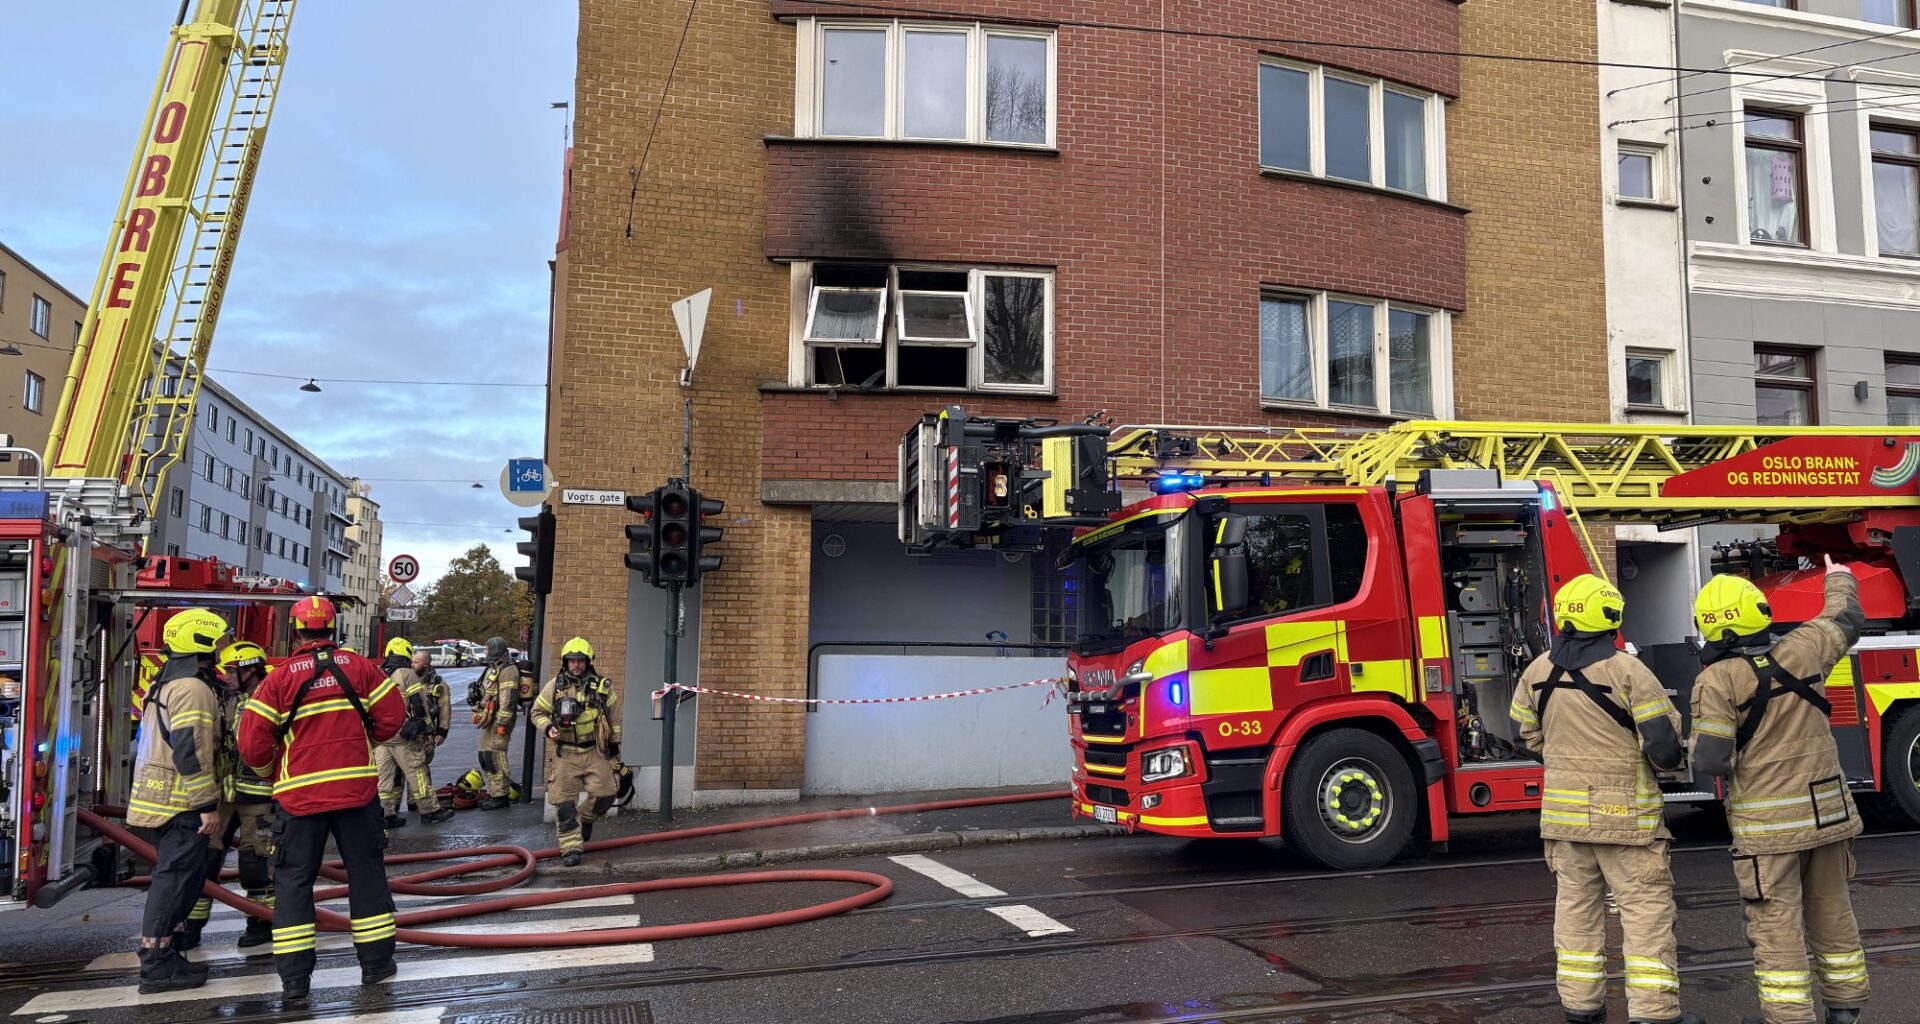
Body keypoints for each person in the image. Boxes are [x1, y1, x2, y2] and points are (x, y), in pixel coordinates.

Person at [1509, 575, 1703, 1024]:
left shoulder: (1537, 672)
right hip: (1626, 822)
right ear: (1611, 616)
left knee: (1575, 915)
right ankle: (1654, 1015)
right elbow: (1663, 747)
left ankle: (1581, 1008)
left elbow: (1523, 736)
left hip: (1565, 822)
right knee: (1645, 916)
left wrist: (1564, 759)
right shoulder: (1629, 671)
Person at [1691, 556, 1867, 1024]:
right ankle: (1845, 1008)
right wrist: (1838, 577)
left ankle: (1790, 1017)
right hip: (1827, 814)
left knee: (1777, 927)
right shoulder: (1806, 647)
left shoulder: (1716, 680)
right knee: (1832, 910)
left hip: (1768, 831)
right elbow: (1845, 617)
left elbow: (1711, 759)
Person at [237, 595, 405, 999]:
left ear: (296, 631)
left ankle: (295, 980)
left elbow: (252, 744)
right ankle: (376, 965)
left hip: (299, 799)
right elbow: (392, 718)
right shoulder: (360, 668)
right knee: (366, 874)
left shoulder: (278, 679)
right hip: (357, 795)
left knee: (294, 882)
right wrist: (365, 741)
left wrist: (272, 770)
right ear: (334, 628)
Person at [127, 608, 228, 993]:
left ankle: (166, 953)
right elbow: (191, 749)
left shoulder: (167, 683)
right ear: (201, 643)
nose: (221, 648)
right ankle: (156, 965)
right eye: (217, 641)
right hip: (182, 804)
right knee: (173, 881)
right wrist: (207, 805)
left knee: (180, 879)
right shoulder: (192, 689)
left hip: (165, 801)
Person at [178, 640, 278, 952]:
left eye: (233, 670)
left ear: (252, 670)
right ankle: (191, 927)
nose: (227, 675)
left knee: (256, 864)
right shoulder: (222, 698)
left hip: (259, 797)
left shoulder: (270, 700)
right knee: (204, 860)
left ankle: (260, 923)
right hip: (222, 795)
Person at [529, 637, 622, 867]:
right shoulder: (555, 687)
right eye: (572, 661)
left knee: (606, 794)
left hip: (594, 751)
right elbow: (536, 713)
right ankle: (570, 849)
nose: (576, 665)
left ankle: (586, 819)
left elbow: (614, 718)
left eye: (581, 660)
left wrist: (614, 745)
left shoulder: (603, 688)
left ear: (588, 662)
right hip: (566, 754)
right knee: (565, 805)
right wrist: (548, 727)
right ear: (565, 662)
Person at [373, 638, 453, 826]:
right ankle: (429, 810)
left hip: (382, 735)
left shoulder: (378, 672)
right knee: (417, 771)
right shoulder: (407, 674)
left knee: (383, 777)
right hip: (403, 734)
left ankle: (386, 814)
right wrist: (428, 730)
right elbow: (419, 705)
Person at [470, 635, 521, 810]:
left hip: (499, 721)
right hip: (489, 720)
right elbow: (488, 693)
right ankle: (494, 792)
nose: (485, 652)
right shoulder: (494, 668)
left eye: (487, 649)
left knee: (495, 757)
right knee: (485, 756)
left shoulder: (508, 670)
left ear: (495, 650)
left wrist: (502, 723)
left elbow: (508, 699)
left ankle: (501, 796)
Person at [411, 647, 452, 788]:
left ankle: (420, 797)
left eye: (416, 662)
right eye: (412, 662)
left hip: (427, 734)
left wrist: (442, 732)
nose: (412, 665)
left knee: (421, 768)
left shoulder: (438, 684)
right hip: (408, 732)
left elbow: (445, 708)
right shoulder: (408, 679)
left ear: (426, 664)